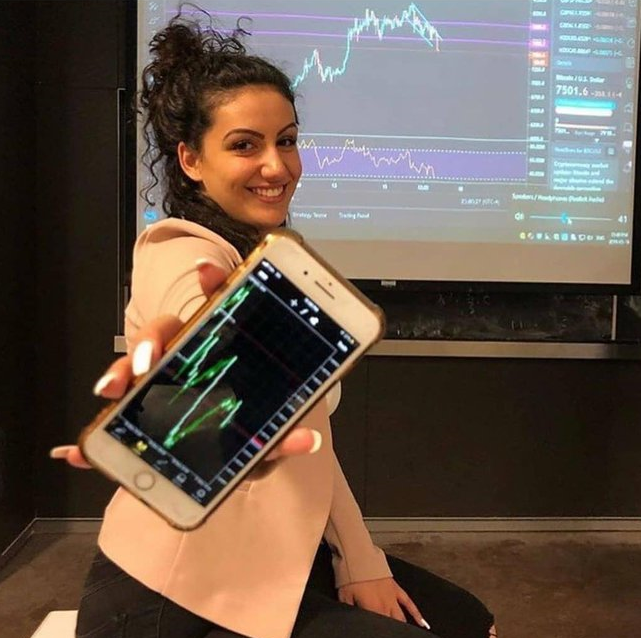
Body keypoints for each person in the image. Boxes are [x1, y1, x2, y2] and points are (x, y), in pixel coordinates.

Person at [50, 11, 496, 638]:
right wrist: (205, 344)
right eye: (244, 145)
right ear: (190, 160)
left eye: (286, 140)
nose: (277, 165)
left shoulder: (268, 262)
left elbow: (312, 451)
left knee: (468, 621)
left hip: (275, 560)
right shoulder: (178, 248)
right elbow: (188, 307)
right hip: (168, 598)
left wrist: (359, 560)